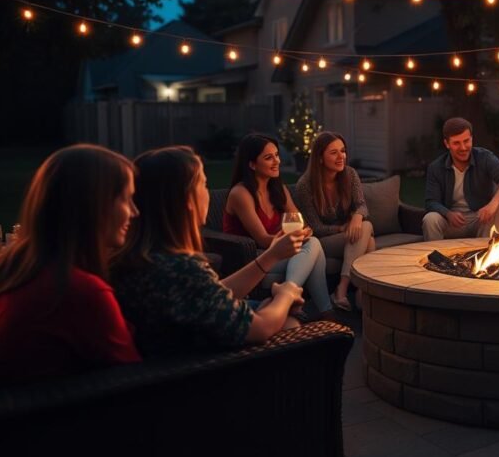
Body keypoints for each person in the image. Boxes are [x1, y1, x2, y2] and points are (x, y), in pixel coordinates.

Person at [0, 145, 141, 388]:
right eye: (126, 199)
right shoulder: (78, 291)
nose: (135, 212)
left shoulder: (2, 273)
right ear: (95, 206)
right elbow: (133, 379)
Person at [112, 146, 307, 357]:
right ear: (188, 199)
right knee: (289, 323)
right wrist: (286, 294)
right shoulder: (180, 269)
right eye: (204, 184)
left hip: (175, 357)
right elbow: (259, 329)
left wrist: (271, 257)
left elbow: (207, 294)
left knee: (270, 307)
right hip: (198, 371)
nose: (208, 191)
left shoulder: (140, 259)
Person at [224, 134, 331, 317]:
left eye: (277, 155)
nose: (277, 161)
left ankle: (310, 307)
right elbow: (263, 240)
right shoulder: (241, 193)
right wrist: (294, 237)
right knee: (314, 246)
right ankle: (298, 304)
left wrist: (303, 232)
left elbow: (299, 220)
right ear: (252, 164)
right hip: (254, 259)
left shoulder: (277, 189)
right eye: (268, 157)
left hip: (278, 251)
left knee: (313, 245)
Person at [293, 131, 375, 311]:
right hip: (322, 242)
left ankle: (356, 292)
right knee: (366, 232)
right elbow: (315, 227)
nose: (341, 157)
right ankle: (346, 290)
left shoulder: (350, 174)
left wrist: (356, 217)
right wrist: (340, 228)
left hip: (350, 235)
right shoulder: (305, 186)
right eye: (334, 152)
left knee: (366, 232)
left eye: (343, 151)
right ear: (320, 158)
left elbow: (361, 205)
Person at [422, 117, 499, 241]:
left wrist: (493, 204)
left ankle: (491, 255)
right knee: (430, 219)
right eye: (456, 143)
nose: (463, 147)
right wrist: (447, 214)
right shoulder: (436, 167)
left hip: (481, 218)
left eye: (466, 141)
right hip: (452, 222)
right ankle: (437, 259)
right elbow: (431, 202)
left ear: (472, 138)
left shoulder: (484, 157)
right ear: (447, 144)